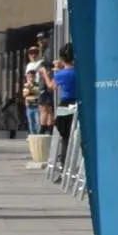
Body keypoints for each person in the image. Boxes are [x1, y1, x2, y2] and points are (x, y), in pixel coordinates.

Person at [42, 42, 77, 178]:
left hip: (65, 104)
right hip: (77, 102)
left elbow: (52, 86)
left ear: (62, 59)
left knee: (65, 137)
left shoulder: (61, 74)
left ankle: (63, 164)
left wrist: (45, 74)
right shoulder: (78, 72)